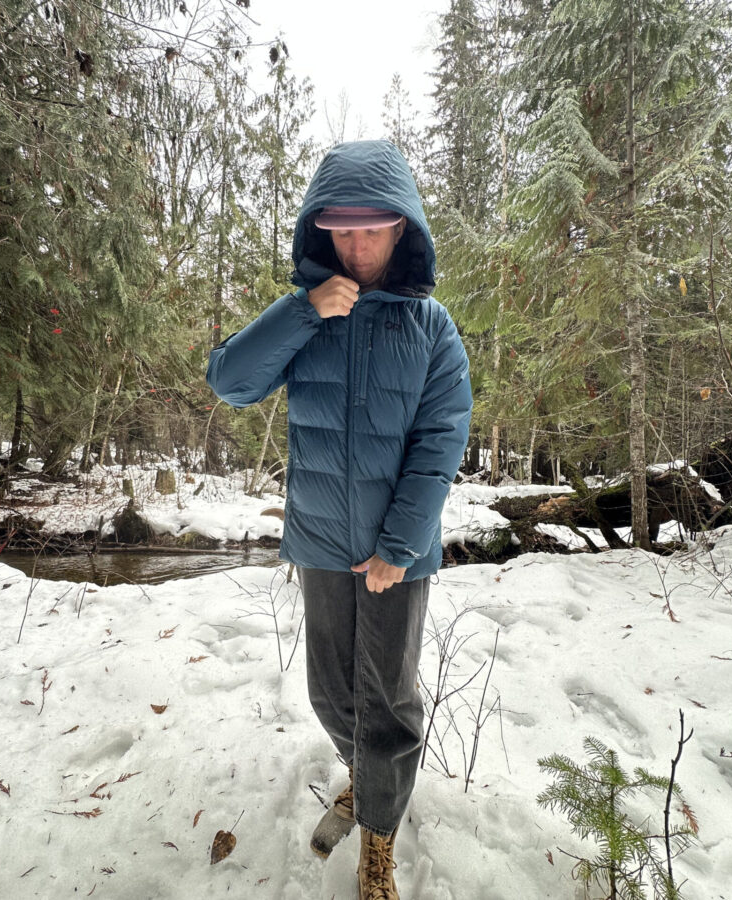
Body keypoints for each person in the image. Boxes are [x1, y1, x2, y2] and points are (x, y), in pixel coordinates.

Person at [206, 140, 472, 900]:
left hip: (398, 553)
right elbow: (230, 383)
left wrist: (399, 545)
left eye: (372, 229)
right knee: (330, 693)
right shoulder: (308, 312)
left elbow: (438, 443)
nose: (356, 245)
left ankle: (379, 841)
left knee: (387, 704)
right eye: (341, 231)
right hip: (320, 542)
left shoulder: (432, 329)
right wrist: (300, 309)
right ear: (321, 232)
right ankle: (366, 778)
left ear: (401, 230)